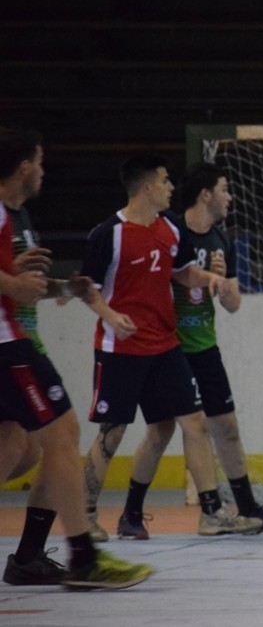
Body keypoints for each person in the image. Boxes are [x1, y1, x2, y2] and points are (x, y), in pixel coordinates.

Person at [80, 154, 263, 541]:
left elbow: (181, 271)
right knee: (113, 433)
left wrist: (208, 278)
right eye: (164, 181)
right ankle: (85, 514)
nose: (170, 188)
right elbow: (88, 289)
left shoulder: (170, 230)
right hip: (121, 348)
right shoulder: (107, 233)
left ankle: (211, 513)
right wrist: (110, 316)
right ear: (147, 187)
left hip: (165, 346)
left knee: (195, 422)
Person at [0, 127, 152, 589]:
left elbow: (19, 287)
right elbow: (10, 287)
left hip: (12, 338)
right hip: (7, 344)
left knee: (20, 447)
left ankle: (29, 557)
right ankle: (84, 557)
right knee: (61, 433)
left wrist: (68, 288)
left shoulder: (16, 215)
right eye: (41, 164)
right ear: (25, 164)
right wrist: (10, 285)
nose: (43, 173)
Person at [116, 163, 263, 538]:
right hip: (170, 347)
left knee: (226, 428)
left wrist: (219, 278)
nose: (230, 197)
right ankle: (135, 512)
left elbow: (232, 304)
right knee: (163, 430)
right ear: (206, 194)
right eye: (225, 189)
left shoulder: (221, 240)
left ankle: (248, 509)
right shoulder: (170, 232)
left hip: (205, 346)